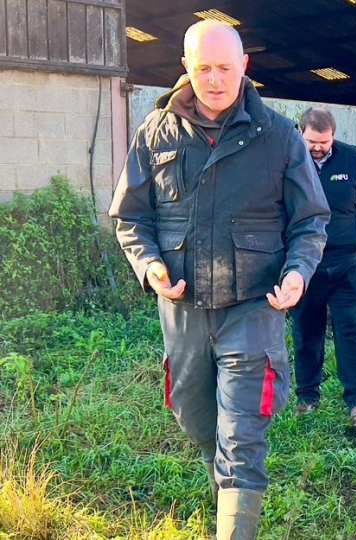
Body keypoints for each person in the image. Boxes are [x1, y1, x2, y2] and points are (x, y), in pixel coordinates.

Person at [108, 20, 330, 540]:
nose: (213, 79)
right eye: (203, 67)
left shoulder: (278, 136)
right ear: (185, 66)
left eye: (225, 68)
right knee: (194, 416)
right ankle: (225, 483)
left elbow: (310, 221)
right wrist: (148, 264)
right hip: (183, 310)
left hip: (254, 307)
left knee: (243, 436)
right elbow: (129, 217)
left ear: (244, 67)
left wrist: (298, 272)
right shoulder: (155, 131)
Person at [291, 107, 356, 427]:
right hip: (305, 267)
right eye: (313, 141)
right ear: (301, 134)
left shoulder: (352, 158)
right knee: (305, 332)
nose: (319, 147)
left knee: (350, 331)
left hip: (346, 265)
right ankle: (307, 397)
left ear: (334, 136)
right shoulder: (289, 159)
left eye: (325, 142)